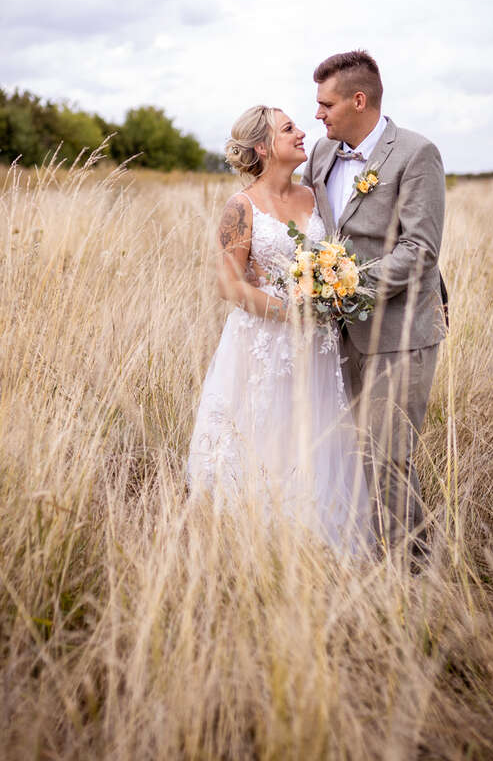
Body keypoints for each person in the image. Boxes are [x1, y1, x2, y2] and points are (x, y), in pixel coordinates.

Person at [187, 105, 372, 553]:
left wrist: (331, 293)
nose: (303, 133)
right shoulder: (241, 207)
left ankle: (317, 545)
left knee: (315, 434)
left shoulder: (316, 196)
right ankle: (252, 544)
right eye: (289, 129)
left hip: (318, 346)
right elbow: (229, 284)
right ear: (263, 147)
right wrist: (289, 311)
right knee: (263, 432)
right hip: (261, 345)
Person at [302, 50, 447, 566]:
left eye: (326, 104)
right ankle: (362, 556)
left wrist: (345, 287)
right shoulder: (321, 154)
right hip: (336, 335)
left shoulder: (415, 154)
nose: (317, 114)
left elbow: (420, 251)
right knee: (347, 451)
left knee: (388, 456)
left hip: (399, 332)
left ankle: (411, 572)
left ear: (358, 100)